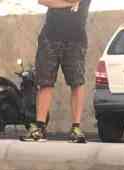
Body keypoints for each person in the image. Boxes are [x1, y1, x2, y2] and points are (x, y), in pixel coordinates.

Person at [27, 0, 93, 142]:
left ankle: (76, 128)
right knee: (45, 82)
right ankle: (40, 127)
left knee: (77, 82)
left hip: (76, 40)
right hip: (49, 38)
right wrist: (70, 4)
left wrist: (62, 3)